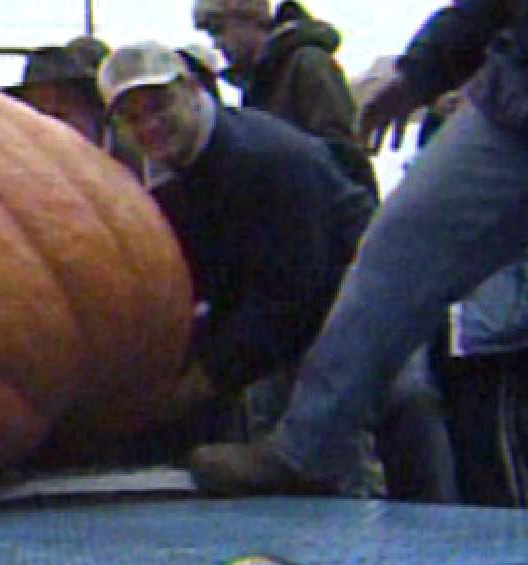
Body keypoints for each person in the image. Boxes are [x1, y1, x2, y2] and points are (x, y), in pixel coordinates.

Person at [189, 1, 528, 496]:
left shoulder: (302, 69)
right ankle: (308, 444)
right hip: (513, 99)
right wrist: (418, 74)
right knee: (400, 247)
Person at [95, 41, 373, 468]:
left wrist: (198, 383)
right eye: (132, 118)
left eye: (159, 105)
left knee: (354, 451)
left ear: (191, 91)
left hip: (351, 310)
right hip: (281, 329)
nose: (148, 125)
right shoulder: (167, 175)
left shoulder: (262, 160)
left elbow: (287, 298)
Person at [192, 0, 378, 196]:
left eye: (218, 29)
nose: (216, 44)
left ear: (248, 17)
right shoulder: (256, 88)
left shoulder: (308, 63)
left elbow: (342, 153)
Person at [3, 36, 146, 177]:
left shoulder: (135, 162)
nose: (51, 121)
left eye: (63, 102)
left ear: (92, 107)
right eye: (39, 111)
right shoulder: (16, 167)